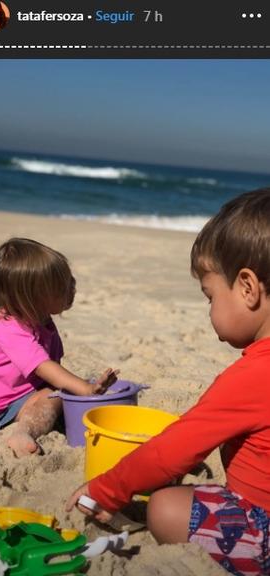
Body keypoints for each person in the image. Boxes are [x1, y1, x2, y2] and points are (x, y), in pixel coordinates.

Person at [66, 188, 270, 576]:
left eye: (210, 296)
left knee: (165, 507)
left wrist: (105, 488)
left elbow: (171, 452)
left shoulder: (253, 375)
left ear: (247, 288)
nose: (210, 310)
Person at [0, 238, 118, 459]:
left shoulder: (43, 323)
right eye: (62, 287)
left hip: (12, 405)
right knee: (61, 392)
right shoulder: (10, 331)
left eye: (70, 280)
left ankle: (23, 432)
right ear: (33, 299)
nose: (72, 286)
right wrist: (86, 389)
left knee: (53, 395)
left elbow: (52, 377)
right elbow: (46, 367)